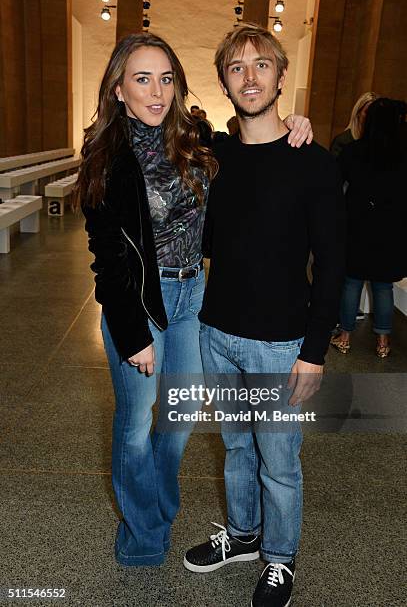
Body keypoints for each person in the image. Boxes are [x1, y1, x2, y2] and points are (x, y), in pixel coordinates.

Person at [75, 31, 313, 568]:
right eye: (142, 80)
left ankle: (157, 511)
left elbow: (257, 145)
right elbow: (107, 257)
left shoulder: (197, 140)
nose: (156, 92)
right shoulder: (104, 157)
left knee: (177, 421)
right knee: (136, 426)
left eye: (166, 79)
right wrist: (131, 330)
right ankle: (144, 532)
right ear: (118, 89)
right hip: (141, 301)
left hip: (192, 298)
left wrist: (294, 124)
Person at [183, 24, 345, 607]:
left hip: (281, 343)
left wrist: (314, 351)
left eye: (261, 65)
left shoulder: (315, 163)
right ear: (224, 83)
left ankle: (280, 558)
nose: (249, 77)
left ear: (280, 75)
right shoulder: (216, 160)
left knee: (279, 462)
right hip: (217, 333)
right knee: (235, 448)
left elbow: (331, 265)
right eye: (236, 68)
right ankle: (245, 536)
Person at [330, 98, 407, 358]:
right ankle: (383, 341)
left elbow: (337, 186)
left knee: (351, 284)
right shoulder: (403, 154)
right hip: (390, 232)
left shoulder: (354, 151)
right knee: (383, 288)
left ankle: (345, 336)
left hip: (357, 227)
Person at [330, 92, 378, 158]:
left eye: (374, 112)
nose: (370, 116)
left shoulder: (377, 144)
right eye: (367, 112)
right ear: (358, 113)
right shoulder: (342, 141)